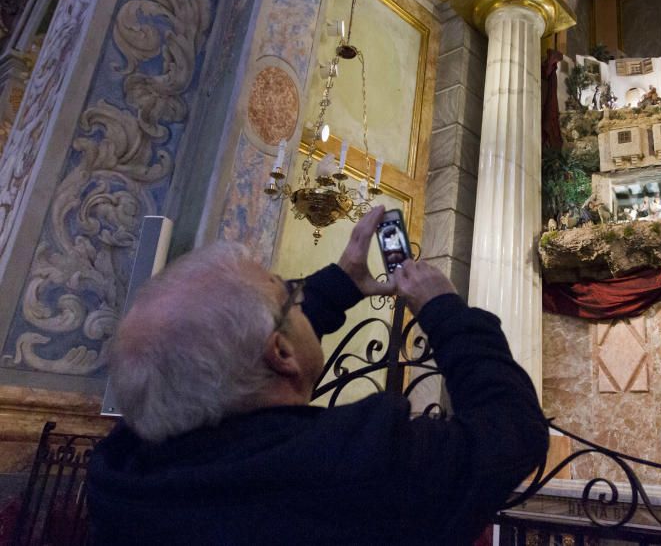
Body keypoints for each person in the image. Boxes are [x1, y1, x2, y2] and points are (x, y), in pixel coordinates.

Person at [86, 206, 548, 545]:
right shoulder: (358, 467)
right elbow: (512, 429)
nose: (300, 297)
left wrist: (342, 282)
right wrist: (444, 311)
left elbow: (250, 352)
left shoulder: (122, 471)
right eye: (290, 293)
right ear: (281, 353)